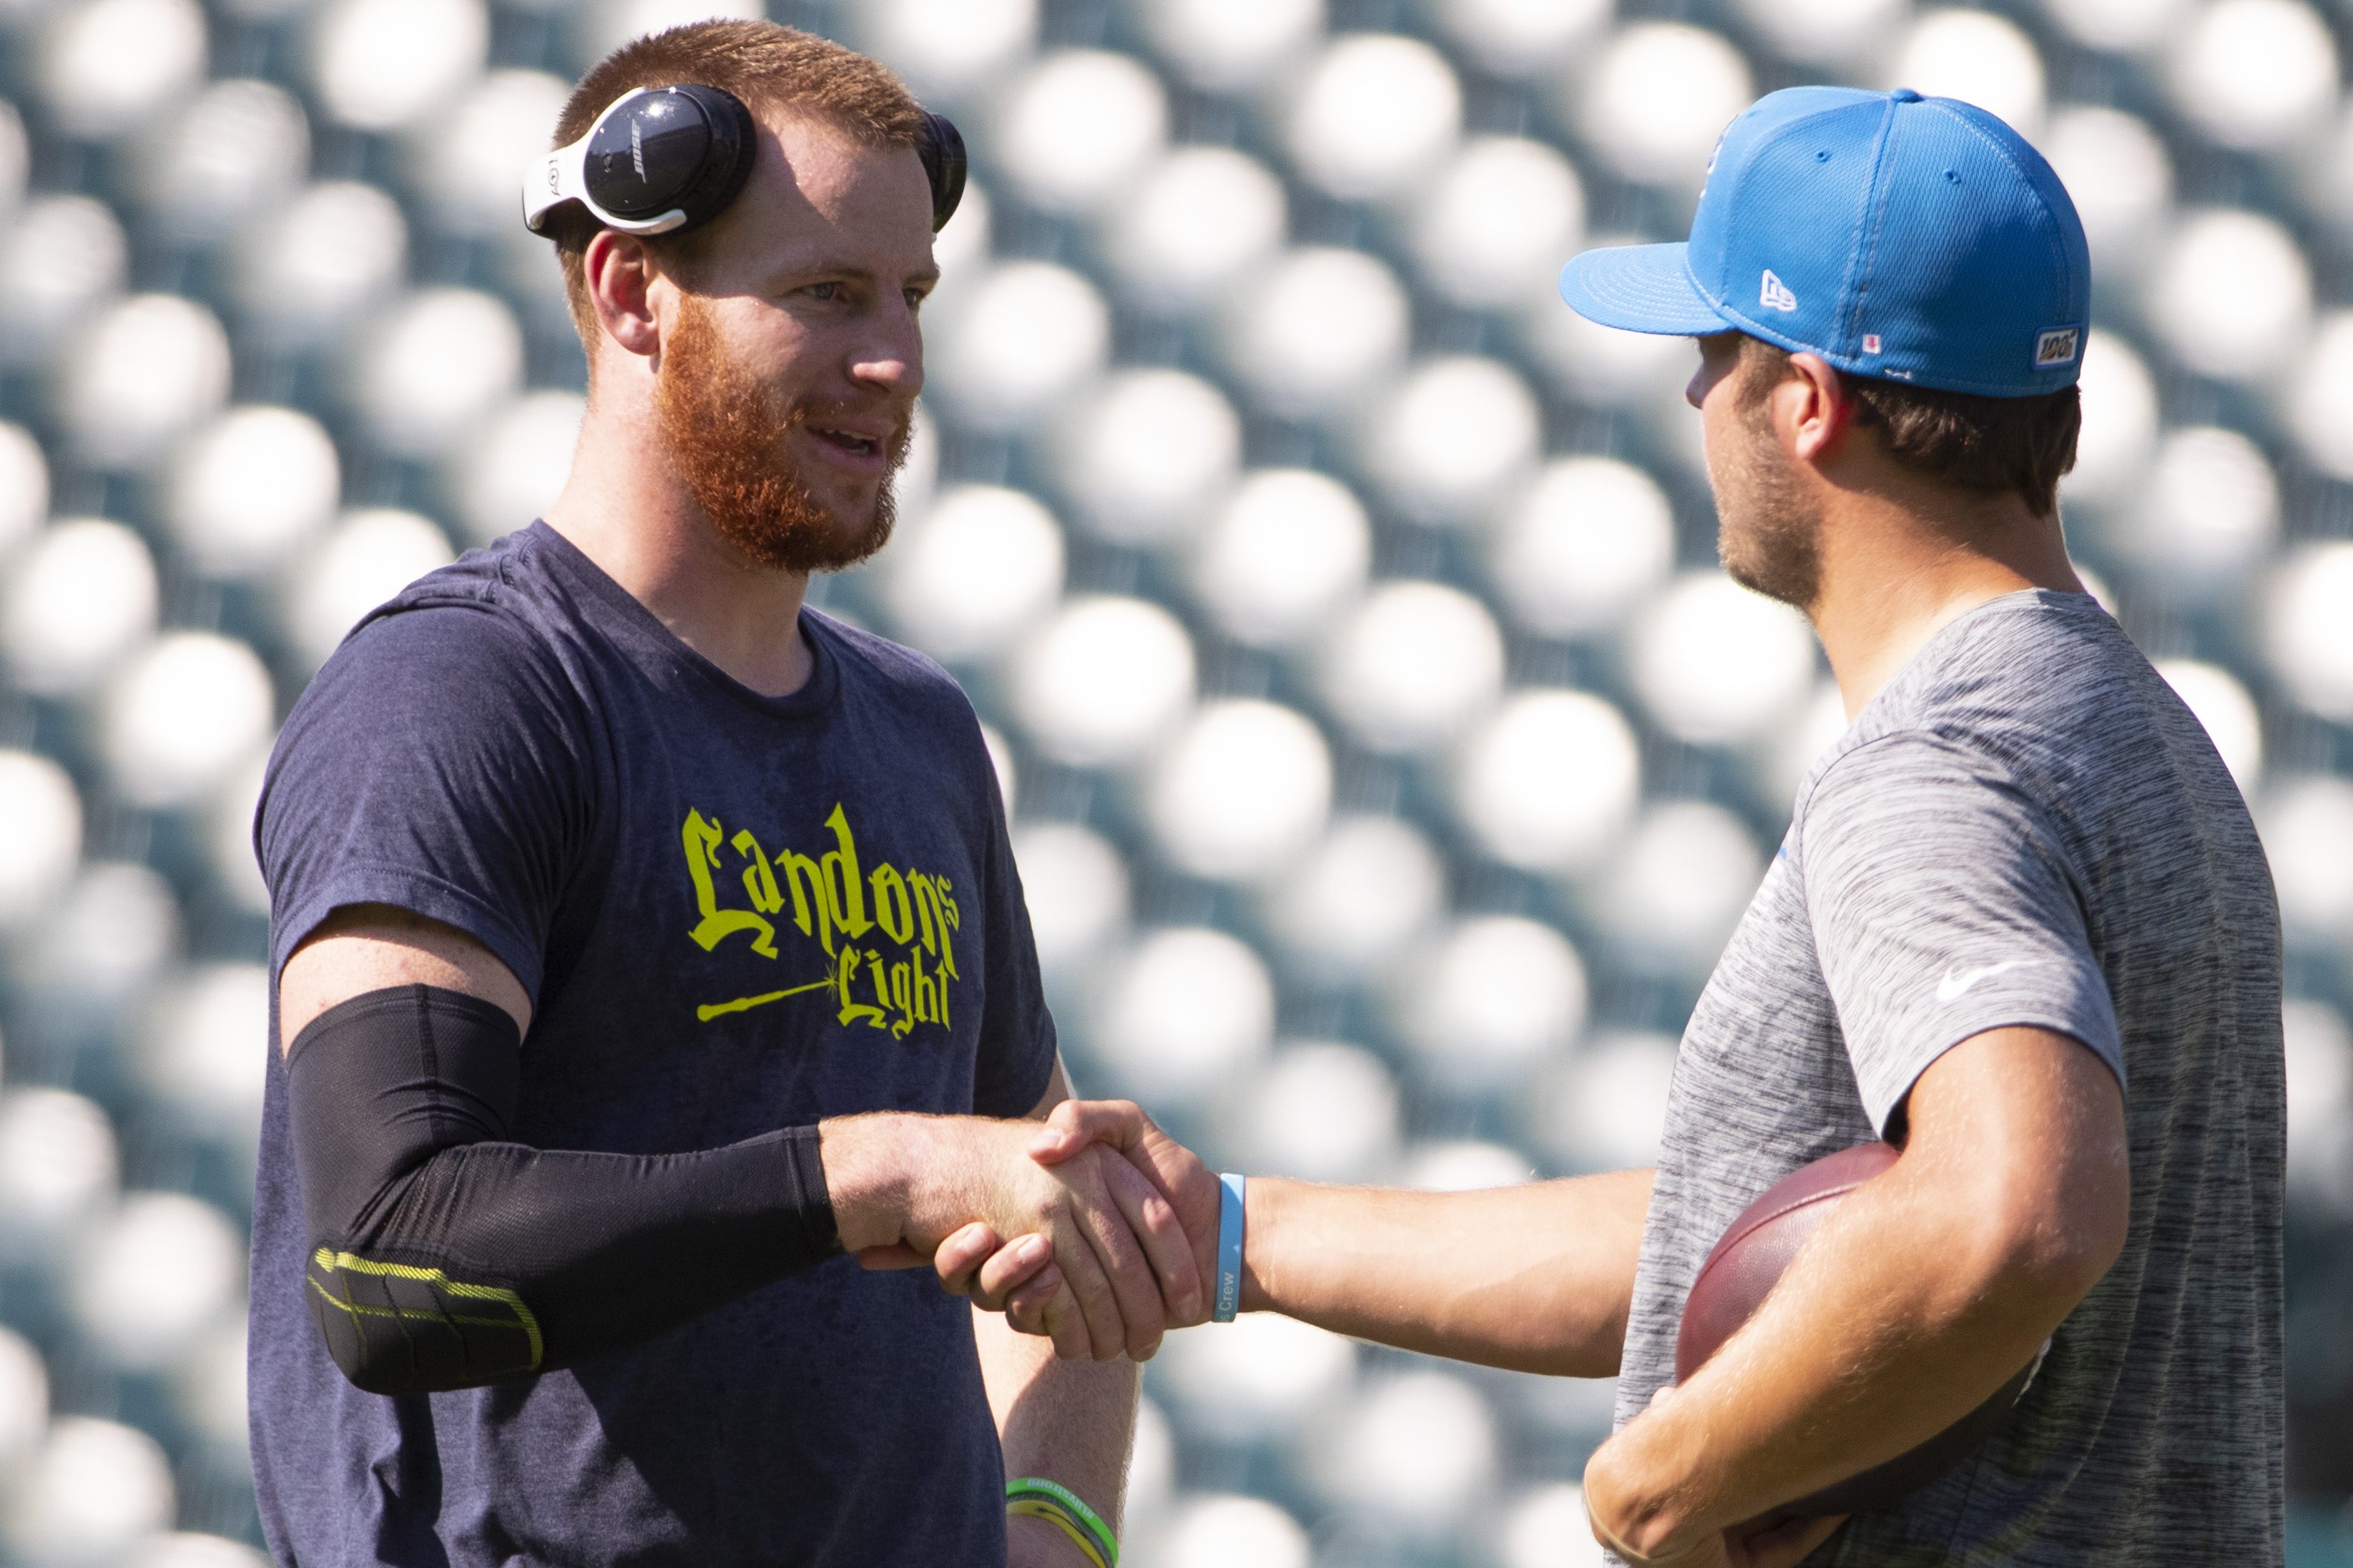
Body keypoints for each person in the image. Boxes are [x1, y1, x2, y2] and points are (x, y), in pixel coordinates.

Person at [954, 86, 2286, 1567]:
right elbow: (1763, 1235)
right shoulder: (2139, 732)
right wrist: (1233, 1237)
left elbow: (2020, 1206)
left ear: (1809, 402)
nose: (1689, 398)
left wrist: (1651, 1482)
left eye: (1714, 352)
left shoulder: (1937, 767)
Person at [247, 21, 1192, 1567]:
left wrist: (1052, 1528)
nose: (893, 358)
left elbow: (1052, 1204)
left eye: (910, 297)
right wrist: (869, 1170)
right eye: (826, 292)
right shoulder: (464, 693)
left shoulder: (917, 731)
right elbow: (392, 1257)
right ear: (633, 291)